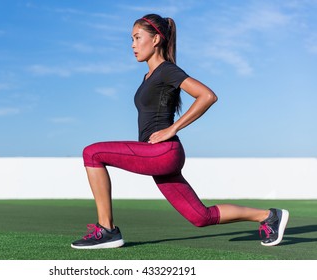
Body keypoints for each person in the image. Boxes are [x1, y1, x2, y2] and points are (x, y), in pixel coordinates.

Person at [71, 14, 289, 249]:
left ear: (155, 39)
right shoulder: (149, 76)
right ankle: (268, 216)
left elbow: (207, 96)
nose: (132, 45)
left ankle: (107, 230)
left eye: (137, 38)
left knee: (92, 153)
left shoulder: (166, 70)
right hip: (158, 155)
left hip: (162, 152)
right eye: (131, 39)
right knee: (200, 217)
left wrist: (171, 129)